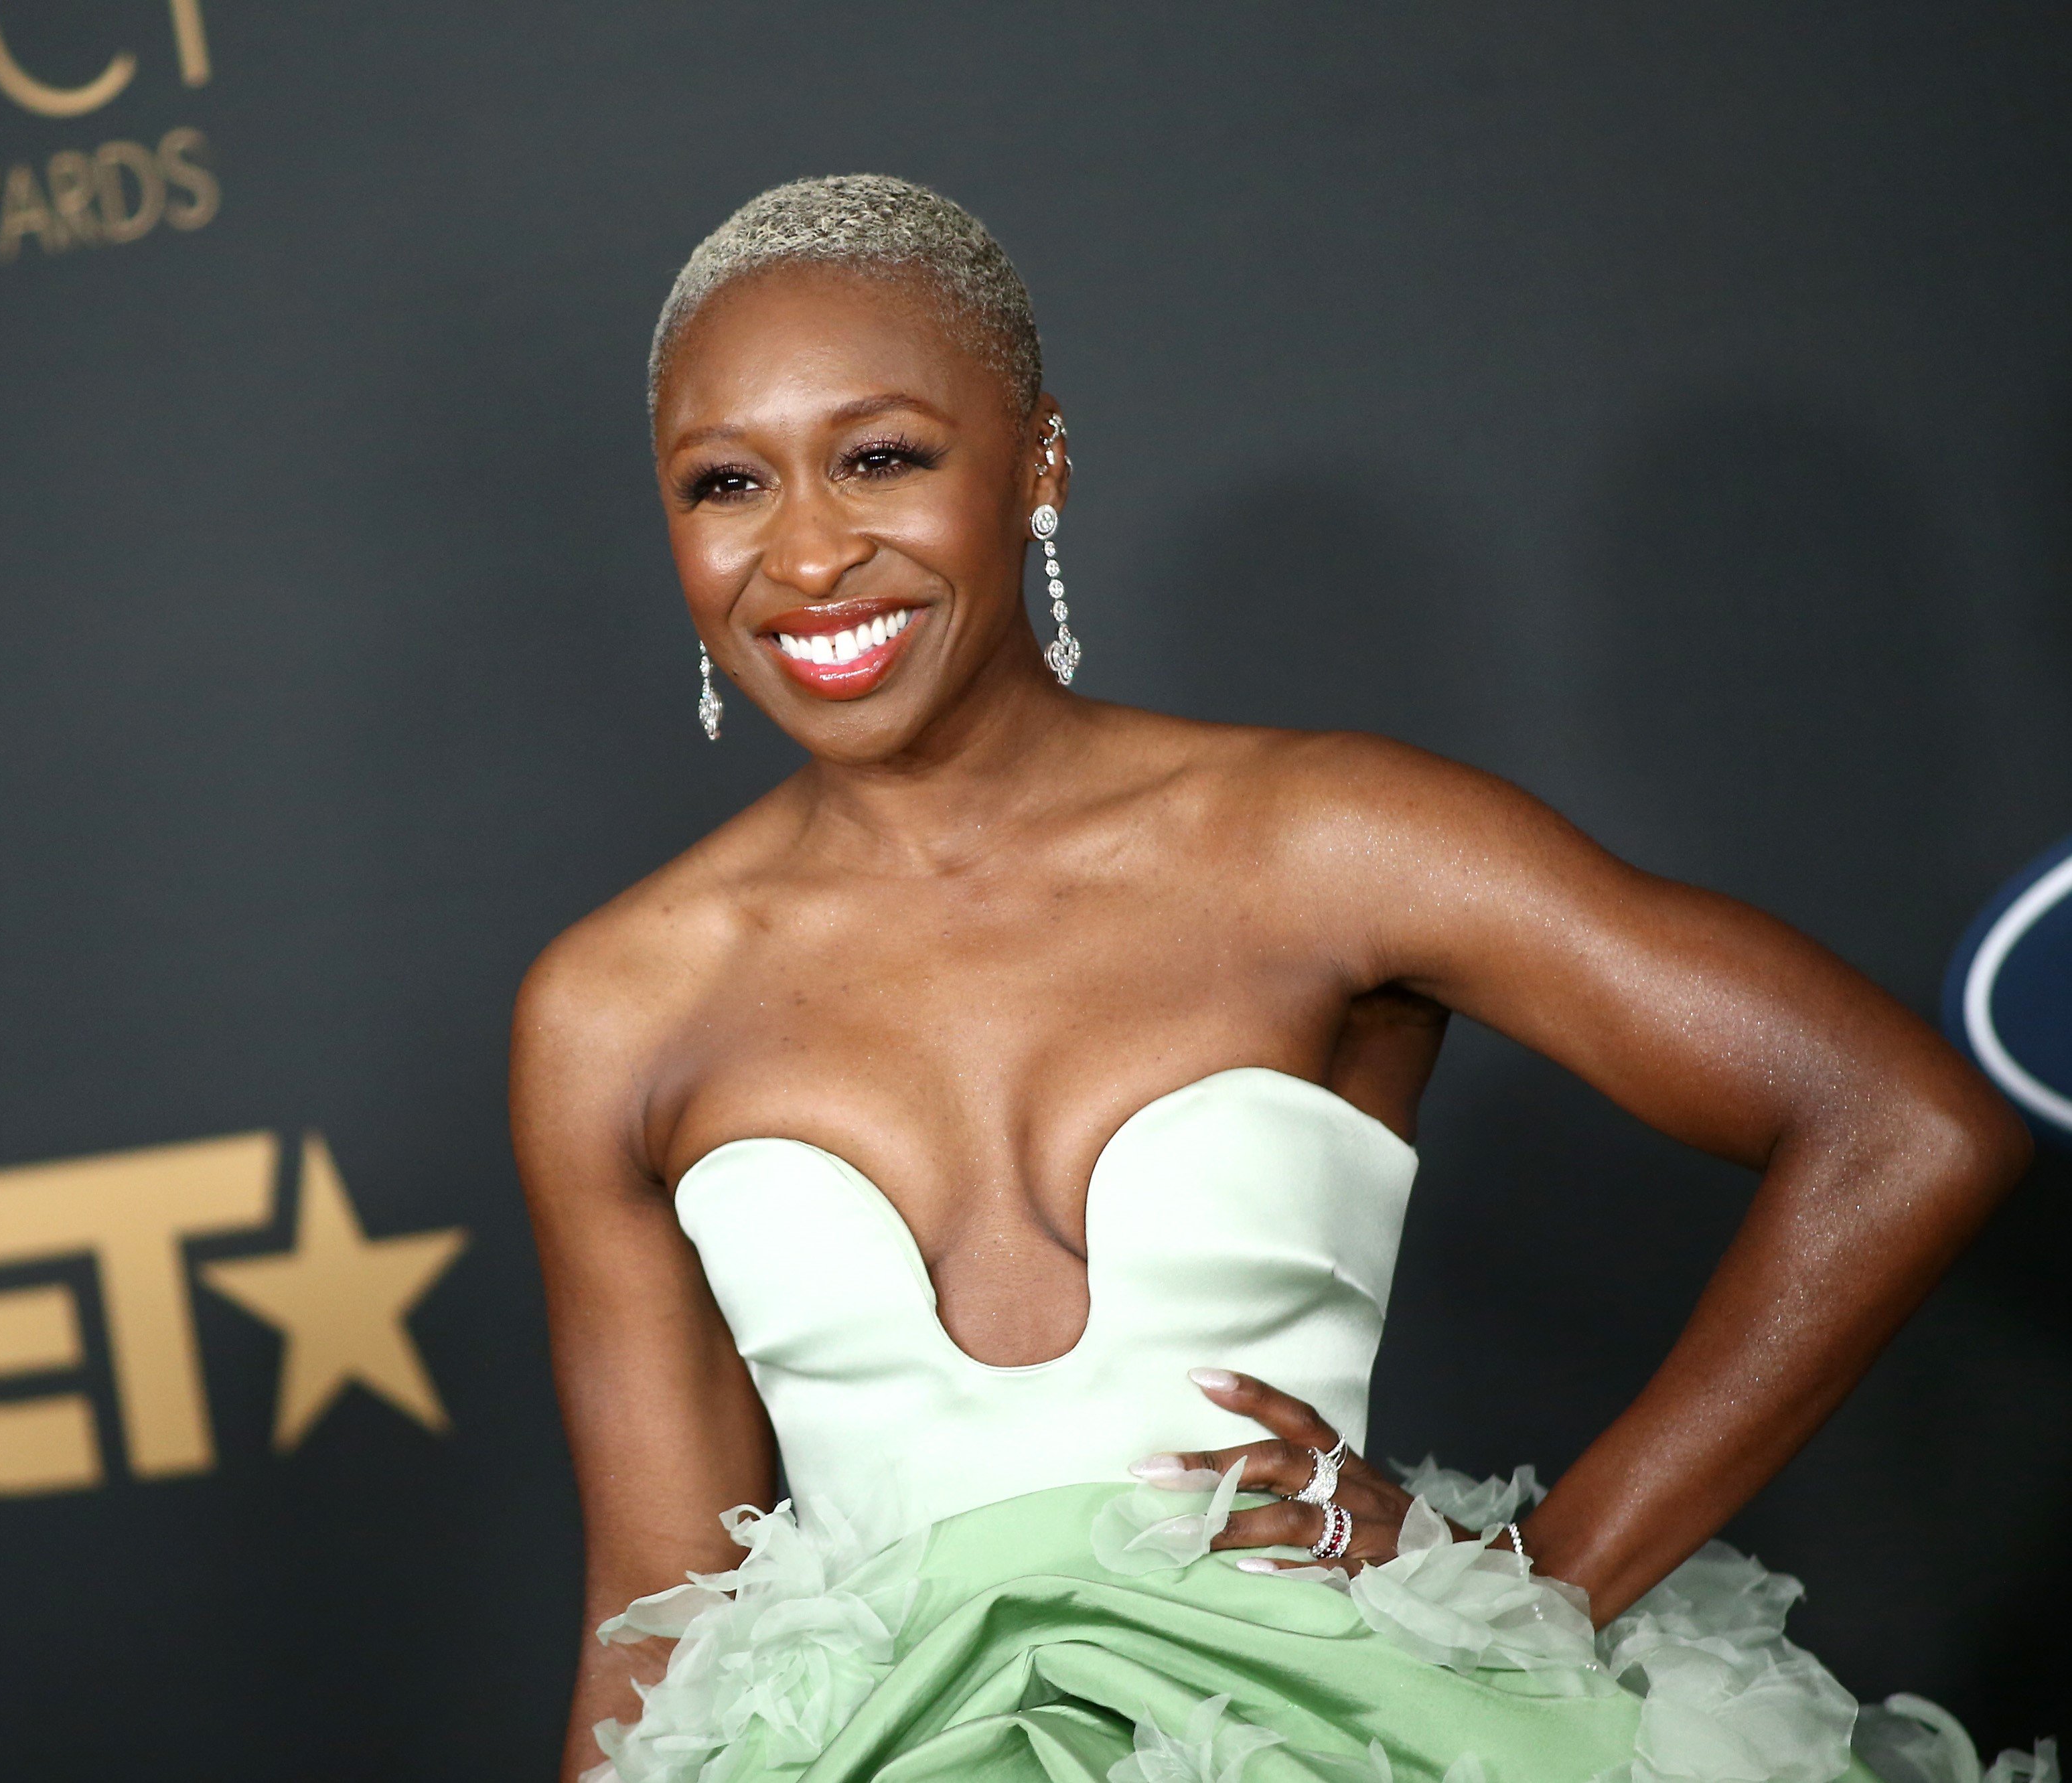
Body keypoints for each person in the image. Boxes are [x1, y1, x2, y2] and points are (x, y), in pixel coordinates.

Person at [510, 175, 2049, 1783]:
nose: (810, 553)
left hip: (1344, 1730)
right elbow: (654, 1616)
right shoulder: (616, 1007)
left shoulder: (1326, 842)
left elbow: (1902, 1124)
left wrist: (1545, 1582)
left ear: (1038, 462)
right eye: (725, 484)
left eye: (882, 457)